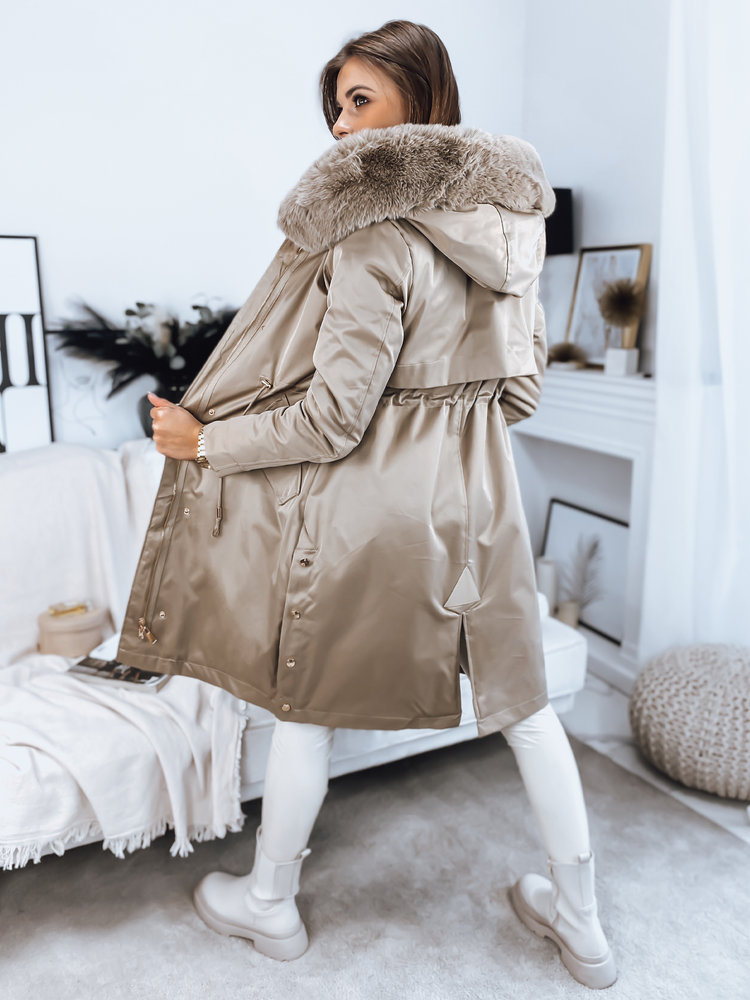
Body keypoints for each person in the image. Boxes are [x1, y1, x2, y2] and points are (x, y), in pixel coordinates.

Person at [116, 19, 616, 990]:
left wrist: (204, 441)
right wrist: (454, 415)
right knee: (526, 708)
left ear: (420, 100)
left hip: (375, 511)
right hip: (485, 500)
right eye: (335, 109)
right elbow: (521, 397)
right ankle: (584, 926)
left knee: (308, 706)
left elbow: (333, 418)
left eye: (359, 101)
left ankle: (270, 904)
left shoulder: (371, 232)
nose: (342, 130)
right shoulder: (516, 229)